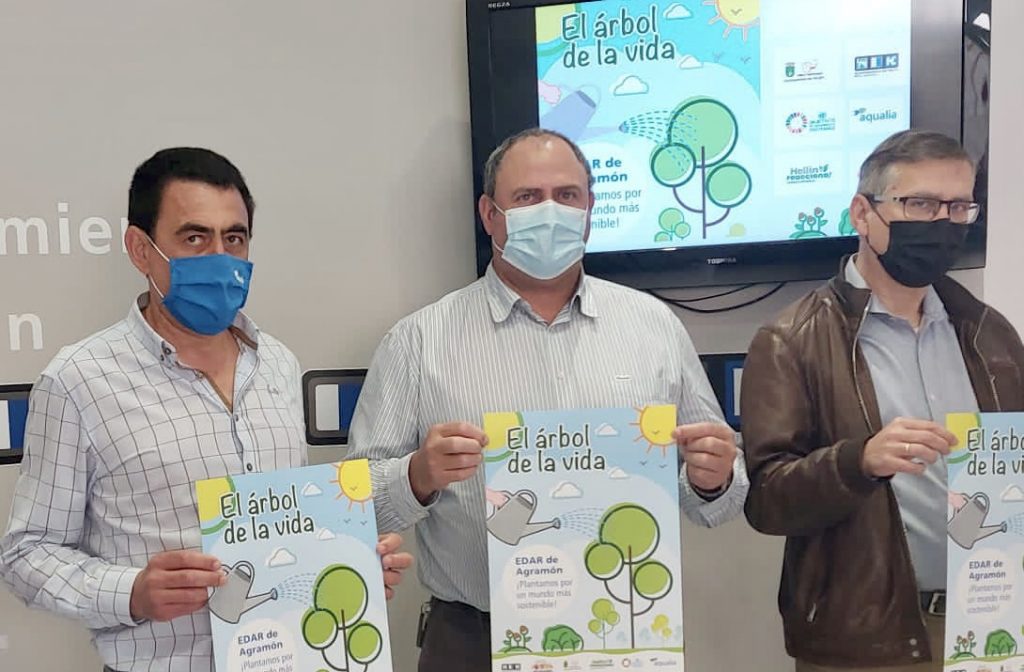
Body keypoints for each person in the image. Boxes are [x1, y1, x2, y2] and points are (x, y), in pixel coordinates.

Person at [346, 128, 749, 671]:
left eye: (567, 195)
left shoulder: (654, 327)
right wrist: (418, 475)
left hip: (622, 630)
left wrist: (712, 479)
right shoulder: (418, 341)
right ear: (490, 215)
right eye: (528, 197)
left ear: (590, 209)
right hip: (474, 640)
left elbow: (720, 498)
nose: (550, 211)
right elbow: (355, 507)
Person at [0, 148, 413, 672]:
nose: (220, 258)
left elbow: (286, 527)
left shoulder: (278, 363)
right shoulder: (78, 380)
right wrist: (132, 592)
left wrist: (346, 560)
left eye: (233, 238)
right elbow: (27, 554)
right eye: (194, 238)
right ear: (140, 249)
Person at [741, 129, 1024, 671]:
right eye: (919, 204)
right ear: (862, 214)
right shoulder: (791, 340)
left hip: (991, 623)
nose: (941, 223)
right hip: (868, 639)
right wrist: (859, 461)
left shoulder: (990, 334)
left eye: (958, 207)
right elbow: (768, 501)